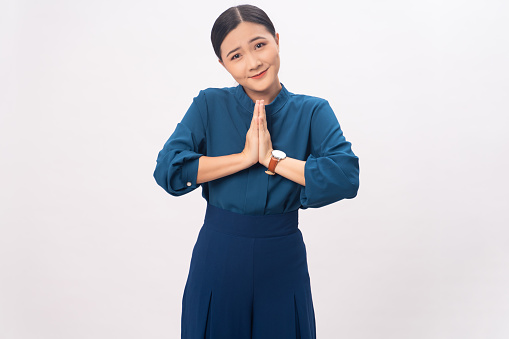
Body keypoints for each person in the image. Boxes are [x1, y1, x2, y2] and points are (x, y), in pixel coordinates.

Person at [153, 4, 359, 339]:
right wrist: (246, 157)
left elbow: (345, 177)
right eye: (236, 55)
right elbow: (168, 170)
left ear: (277, 40)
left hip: (282, 257)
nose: (253, 62)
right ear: (223, 64)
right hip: (218, 256)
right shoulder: (209, 105)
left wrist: (273, 161)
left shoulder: (312, 110)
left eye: (259, 45)